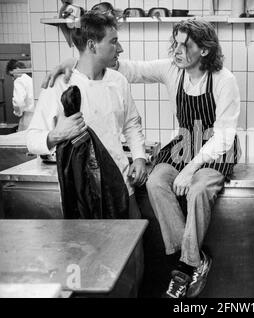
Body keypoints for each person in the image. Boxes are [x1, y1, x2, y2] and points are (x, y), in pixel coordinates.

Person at [43, 19, 241, 298]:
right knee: (156, 181)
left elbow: (224, 136)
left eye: (186, 45)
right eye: (175, 43)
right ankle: (192, 259)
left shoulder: (224, 80)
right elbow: (123, 68)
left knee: (198, 189)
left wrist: (191, 169)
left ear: (205, 50)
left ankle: (183, 267)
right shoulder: (172, 69)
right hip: (185, 143)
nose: (177, 50)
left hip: (216, 147)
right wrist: (72, 61)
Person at [27, 11, 147, 220]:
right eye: (114, 42)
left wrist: (139, 157)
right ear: (92, 45)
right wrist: (56, 135)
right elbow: (31, 139)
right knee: (93, 251)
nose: (120, 48)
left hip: (122, 183)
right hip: (83, 193)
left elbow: (131, 125)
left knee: (133, 249)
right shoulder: (60, 84)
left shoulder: (119, 81)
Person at [6, 59, 34, 131]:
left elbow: (19, 103)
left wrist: (18, 112)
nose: (12, 78)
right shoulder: (30, 79)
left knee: (24, 140)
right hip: (35, 117)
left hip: (27, 118)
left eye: (12, 75)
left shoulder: (19, 80)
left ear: (17, 69)